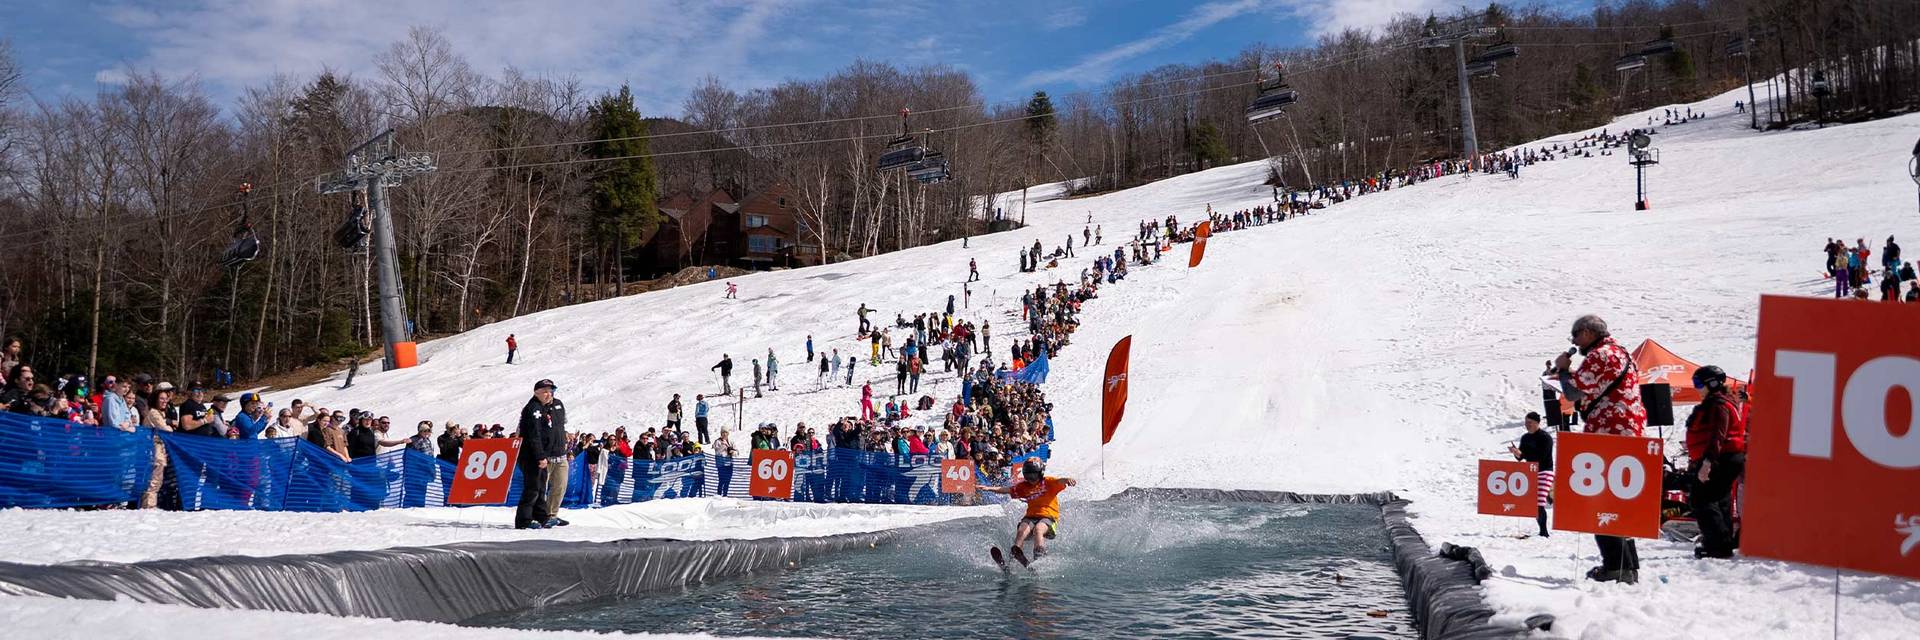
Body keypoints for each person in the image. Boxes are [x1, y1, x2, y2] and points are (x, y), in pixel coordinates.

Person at [1552, 314, 1646, 584]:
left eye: (1575, 336)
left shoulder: (1599, 355)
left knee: (1601, 500)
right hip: (1628, 429)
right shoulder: (1621, 352)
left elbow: (1572, 394)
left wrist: (1562, 370)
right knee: (1621, 501)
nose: (1574, 342)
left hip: (1608, 431)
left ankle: (1615, 567)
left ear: (1588, 333)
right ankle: (1628, 567)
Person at [1685, 365, 1747, 559]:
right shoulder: (1720, 402)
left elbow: (1717, 435)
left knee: (1702, 499)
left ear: (1711, 384)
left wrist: (1707, 463)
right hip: (1726, 458)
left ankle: (1717, 545)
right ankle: (1723, 542)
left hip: (1721, 458)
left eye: (1698, 383)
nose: (1696, 388)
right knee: (1719, 499)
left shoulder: (1718, 405)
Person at [981, 458, 1077, 563]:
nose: (1031, 479)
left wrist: (1067, 479)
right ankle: (1014, 559)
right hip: (1031, 517)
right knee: (1021, 531)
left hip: (1049, 517)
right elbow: (1007, 490)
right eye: (1028, 476)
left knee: (1038, 529)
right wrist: (989, 488)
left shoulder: (1048, 482)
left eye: (1034, 475)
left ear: (1041, 473)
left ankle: (1040, 559)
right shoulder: (1024, 487)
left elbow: (1060, 481)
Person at [515, 379, 563, 530]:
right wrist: (540, 456)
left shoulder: (544, 408)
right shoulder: (534, 408)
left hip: (542, 454)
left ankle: (541, 517)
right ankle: (523, 520)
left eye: (551, 391)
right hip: (531, 456)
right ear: (537, 393)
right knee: (532, 488)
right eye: (545, 391)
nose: (549, 394)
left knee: (541, 487)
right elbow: (534, 436)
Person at [1507, 411, 1554, 538]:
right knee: (1534, 504)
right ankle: (1542, 531)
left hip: (1545, 470)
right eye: (1526, 422)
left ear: (1537, 423)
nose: (1527, 425)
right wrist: (1516, 452)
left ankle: (1544, 532)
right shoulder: (1525, 438)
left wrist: (1523, 455)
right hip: (1531, 472)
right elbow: (1521, 457)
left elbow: (1540, 457)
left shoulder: (1545, 437)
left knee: (1539, 502)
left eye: (1530, 422)